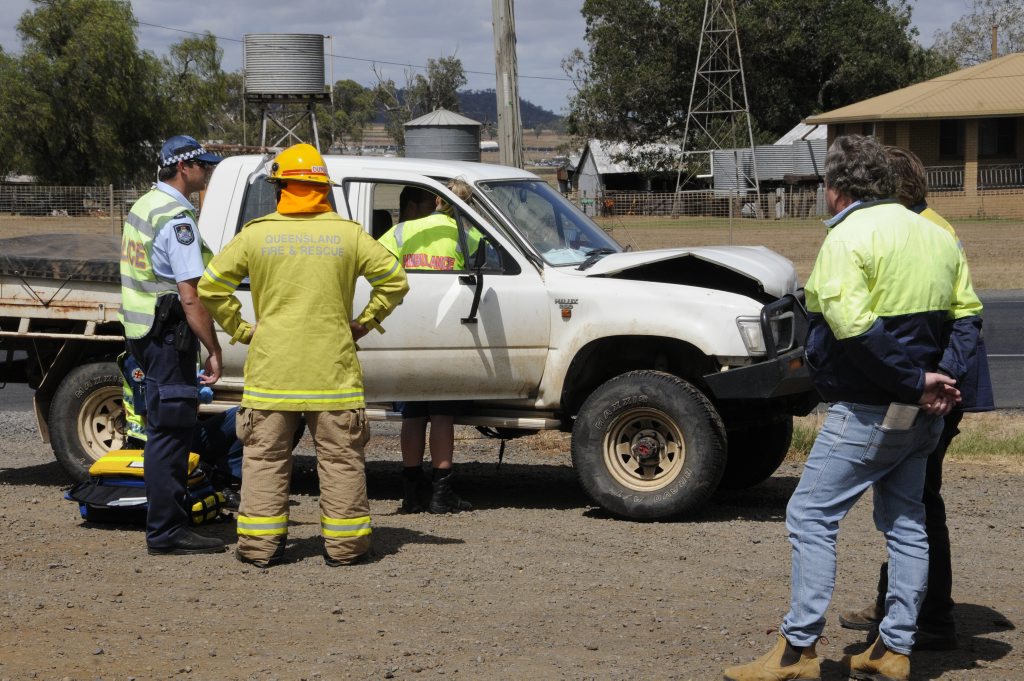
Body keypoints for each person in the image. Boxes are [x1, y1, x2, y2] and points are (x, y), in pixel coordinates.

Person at [722, 134, 983, 681]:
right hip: (924, 415)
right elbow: (967, 316)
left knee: (811, 515)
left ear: (835, 189)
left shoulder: (847, 237)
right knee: (908, 521)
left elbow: (854, 328)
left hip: (867, 411)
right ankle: (894, 650)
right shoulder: (936, 235)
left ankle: (798, 651)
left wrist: (915, 382)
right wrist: (941, 380)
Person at [198, 143, 408, 568]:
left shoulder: (256, 234)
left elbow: (211, 286)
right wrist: (365, 322)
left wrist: (241, 329)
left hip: (272, 374)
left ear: (280, 188)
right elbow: (395, 281)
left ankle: (259, 548)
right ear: (321, 189)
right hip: (332, 375)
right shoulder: (347, 234)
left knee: (264, 461)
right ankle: (346, 549)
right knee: (341, 461)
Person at [837, 146, 995, 651]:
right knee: (910, 495)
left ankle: (930, 614)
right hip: (933, 383)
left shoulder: (927, 230)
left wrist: (932, 381)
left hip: (933, 387)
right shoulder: (923, 224)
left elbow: (954, 318)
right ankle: (899, 602)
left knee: (918, 499)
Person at [118, 134, 226, 556]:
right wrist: (212, 347)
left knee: (161, 429)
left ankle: (165, 525)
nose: (208, 171)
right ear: (184, 168)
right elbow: (190, 294)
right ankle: (167, 531)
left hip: (142, 331)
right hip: (167, 336)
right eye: (203, 165)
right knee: (172, 433)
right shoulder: (177, 218)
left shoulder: (144, 205)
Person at [378, 179, 476, 514]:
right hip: (447, 332)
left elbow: (376, 269)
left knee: (412, 414)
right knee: (442, 414)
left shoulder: (401, 233)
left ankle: (410, 492)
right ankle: (440, 493)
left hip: (407, 331)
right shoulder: (468, 233)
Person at [119, 351, 242, 509]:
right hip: (155, 440)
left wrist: (195, 394)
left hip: (183, 429)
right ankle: (209, 478)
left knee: (243, 415)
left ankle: (220, 479)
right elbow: (150, 414)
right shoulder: (139, 358)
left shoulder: (181, 348)